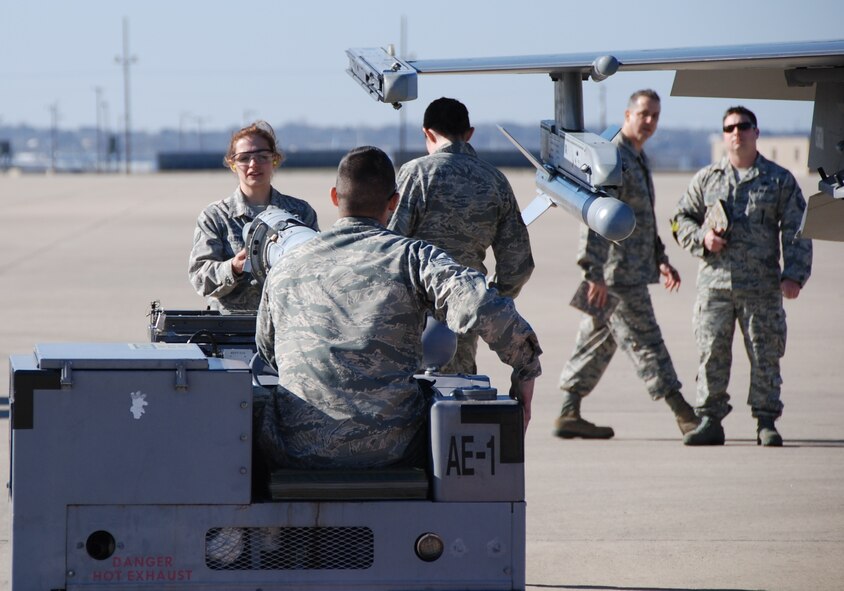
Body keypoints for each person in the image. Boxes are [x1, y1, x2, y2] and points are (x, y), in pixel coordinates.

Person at [255, 146, 541, 470]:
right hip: (392, 449)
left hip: (297, 448)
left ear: (335, 197)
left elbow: (268, 352)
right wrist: (525, 369)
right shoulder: (413, 258)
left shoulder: (287, 264)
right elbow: (481, 304)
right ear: (394, 203)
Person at [554, 89, 699, 440]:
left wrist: (661, 259)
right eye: (644, 114)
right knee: (647, 342)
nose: (649, 122)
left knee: (597, 341)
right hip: (617, 275)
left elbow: (641, 218)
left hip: (629, 268)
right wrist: (594, 273)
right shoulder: (614, 157)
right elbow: (597, 217)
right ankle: (685, 414)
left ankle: (568, 412)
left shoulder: (637, 157)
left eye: (655, 116)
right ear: (628, 114)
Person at [671, 106, 812, 447]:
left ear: (756, 132)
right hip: (714, 286)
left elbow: (797, 229)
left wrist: (794, 275)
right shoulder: (707, 178)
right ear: (724, 136)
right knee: (711, 353)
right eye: (730, 128)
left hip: (762, 286)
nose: (737, 133)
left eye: (744, 126)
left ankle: (766, 422)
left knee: (765, 354)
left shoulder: (778, 180)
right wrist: (702, 238)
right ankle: (710, 420)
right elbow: (679, 219)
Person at [388, 97, 534, 374]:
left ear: (427, 133)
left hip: (411, 318)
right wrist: (486, 301)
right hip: (465, 312)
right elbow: (518, 264)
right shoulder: (495, 181)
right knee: (457, 399)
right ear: (469, 134)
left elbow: (389, 245)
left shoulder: (416, 174)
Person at [188, 121, 319, 312]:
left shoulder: (299, 212)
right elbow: (200, 278)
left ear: (275, 159)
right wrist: (233, 268)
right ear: (232, 164)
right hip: (231, 329)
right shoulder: (216, 217)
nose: (253, 164)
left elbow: (318, 268)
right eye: (244, 158)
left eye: (262, 156)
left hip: (285, 328)